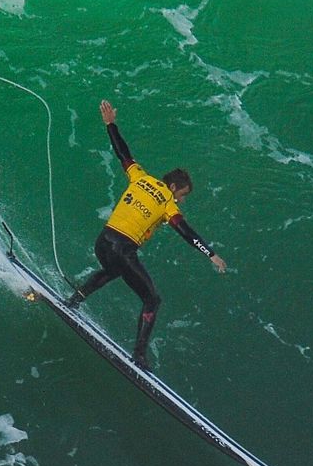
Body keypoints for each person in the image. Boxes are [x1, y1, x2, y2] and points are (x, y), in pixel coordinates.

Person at [65, 100, 226, 369]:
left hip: (103, 241)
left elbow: (122, 153)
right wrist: (210, 254)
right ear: (173, 187)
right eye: (182, 195)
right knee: (152, 298)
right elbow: (186, 232)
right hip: (122, 249)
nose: (181, 201)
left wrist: (110, 124)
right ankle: (139, 356)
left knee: (111, 271)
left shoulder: (140, 177)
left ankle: (74, 300)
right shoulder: (167, 202)